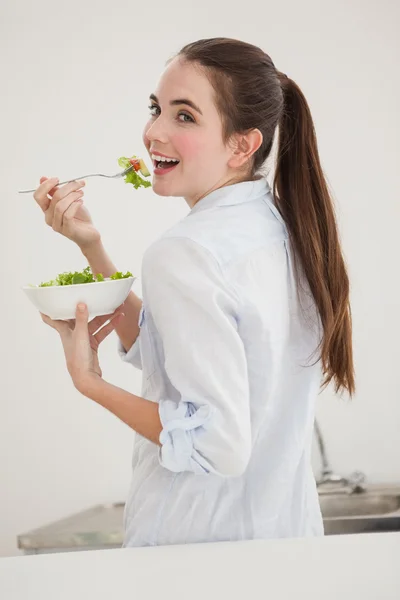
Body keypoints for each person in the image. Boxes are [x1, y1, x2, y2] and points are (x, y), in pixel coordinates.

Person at [33, 37, 355, 547]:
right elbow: (179, 352)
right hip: (283, 543)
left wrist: (90, 382)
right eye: (156, 109)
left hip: (198, 552)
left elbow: (218, 445)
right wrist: (92, 247)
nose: (153, 132)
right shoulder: (284, 229)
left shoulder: (186, 250)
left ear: (242, 144)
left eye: (185, 116)